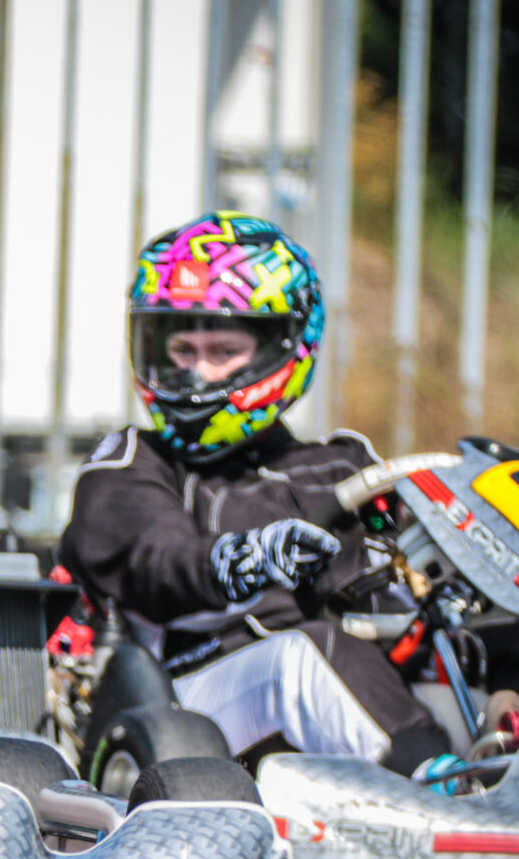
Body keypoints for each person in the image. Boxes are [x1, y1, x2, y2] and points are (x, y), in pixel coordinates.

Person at [55, 210, 455, 774]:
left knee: (477, 644)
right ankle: (441, 791)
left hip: (351, 695)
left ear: (280, 348)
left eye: (222, 352)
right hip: (179, 705)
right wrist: (248, 558)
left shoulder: (342, 467)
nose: (197, 374)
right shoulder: (131, 461)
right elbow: (158, 563)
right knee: (304, 656)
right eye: (182, 351)